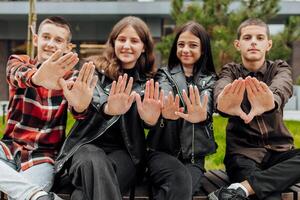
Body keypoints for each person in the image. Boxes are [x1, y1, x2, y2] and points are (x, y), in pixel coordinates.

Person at [55, 16, 162, 200]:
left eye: (134, 40)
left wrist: (152, 121)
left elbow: (150, 120)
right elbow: (89, 102)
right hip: (86, 145)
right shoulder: (94, 69)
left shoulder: (149, 82)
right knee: (94, 160)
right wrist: (107, 109)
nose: (126, 45)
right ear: (113, 43)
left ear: (144, 47)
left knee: (82, 195)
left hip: (127, 155)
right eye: (121, 39)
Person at [0, 16, 97, 200]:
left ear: (68, 47)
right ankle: (38, 196)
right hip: (7, 148)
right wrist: (37, 78)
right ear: (36, 39)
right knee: (28, 195)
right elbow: (16, 74)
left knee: (17, 196)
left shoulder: (72, 78)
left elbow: (78, 109)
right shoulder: (19, 61)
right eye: (46, 37)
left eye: (58, 40)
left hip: (42, 156)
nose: (51, 44)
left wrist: (81, 106)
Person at [209, 18, 300, 200]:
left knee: (256, 188)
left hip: (280, 151)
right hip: (243, 155)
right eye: (247, 37)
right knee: (267, 195)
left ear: (268, 44)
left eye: (259, 38)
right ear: (237, 44)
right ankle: (249, 187)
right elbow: (222, 89)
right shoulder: (230, 71)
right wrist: (223, 101)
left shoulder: (278, 68)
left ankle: (242, 188)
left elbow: (283, 85)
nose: (253, 42)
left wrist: (269, 101)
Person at [146, 21, 217, 200]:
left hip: (193, 159)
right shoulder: (164, 74)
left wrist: (201, 115)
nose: (185, 49)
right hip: (161, 153)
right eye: (181, 44)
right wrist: (167, 109)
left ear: (203, 50)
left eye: (193, 45)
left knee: (183, 185)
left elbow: (205, 105)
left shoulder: (209, 79)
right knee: (178, 180)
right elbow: (166, 95)